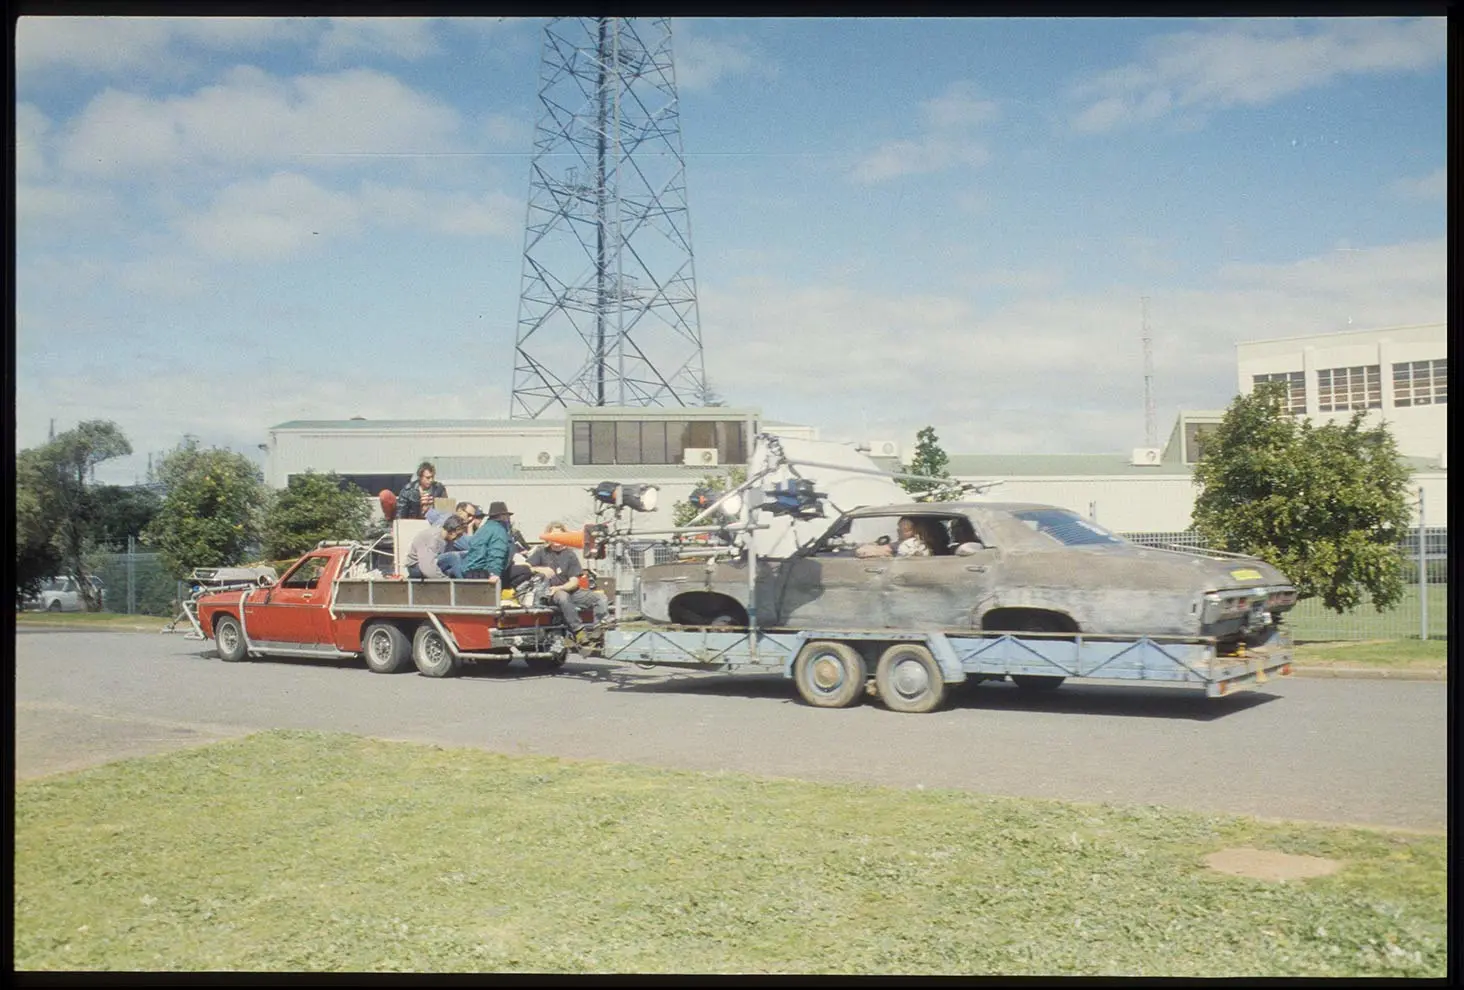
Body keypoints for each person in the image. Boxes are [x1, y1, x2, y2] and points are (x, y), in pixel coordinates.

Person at [529, 521, 609, 644]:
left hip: (571, 590)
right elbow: (526, 566)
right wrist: (541, 569)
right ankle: (579, 632)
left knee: (601, 598)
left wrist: (560, 587)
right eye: (554, 535)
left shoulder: (570, 555)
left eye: (560, 535)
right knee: (563, 596)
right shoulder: (541, 552)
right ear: (549, 536)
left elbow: (574, 582)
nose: (557, 539)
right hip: (550, 593)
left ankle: (598, 631)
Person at [452, 500, 515, 582]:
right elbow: (497, 551)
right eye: (507, 516)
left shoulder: (483, 528)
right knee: (524, 571)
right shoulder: (499, 530)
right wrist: (494, 573)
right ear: (502, 516)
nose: (508, 519)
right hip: (483, 573)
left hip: (470, 571)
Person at [855, 516, 931, 559]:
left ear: (915, 531)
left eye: (905, 530)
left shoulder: (912, 544)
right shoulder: (900, 543)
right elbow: (862, 551)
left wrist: (885, 554)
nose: (899, 532)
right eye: (899, 528)